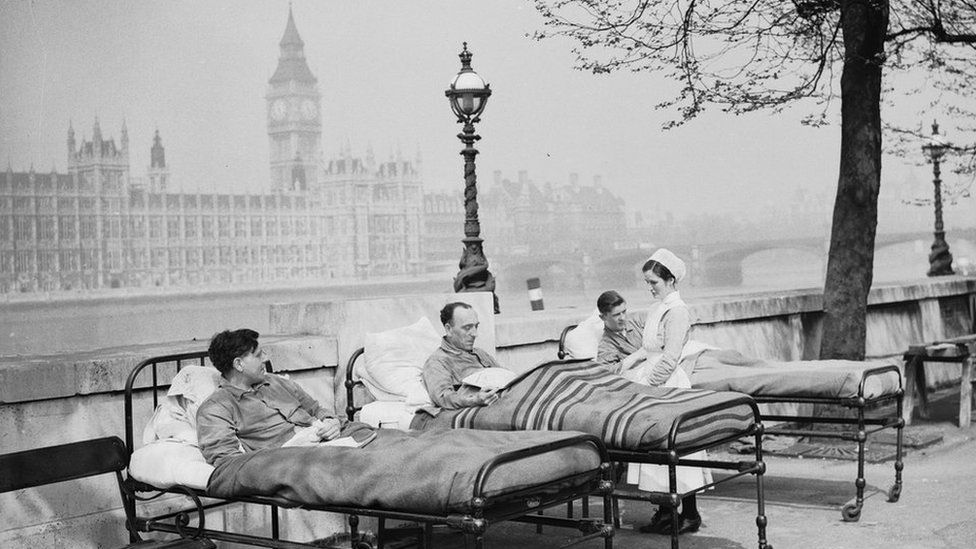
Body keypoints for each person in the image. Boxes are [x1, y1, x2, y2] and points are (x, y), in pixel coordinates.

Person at [600, 249, 710, 536]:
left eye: (654, 283)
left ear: (670, 280)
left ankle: (690, 514)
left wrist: (649, 386)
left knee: (675, 449)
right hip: (651, 380)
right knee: (654, 449)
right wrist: (625, 366)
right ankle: (664, 511)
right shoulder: (657, 308)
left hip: (667, 385)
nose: (649, 288)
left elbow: (670, 357)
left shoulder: (677, 311)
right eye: (647, 282)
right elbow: (647, 349)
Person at [196, 328, 363, 467]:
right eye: (259, 355)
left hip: (334, 442)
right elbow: (228, 462)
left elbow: (316, 409)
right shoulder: (216, 408)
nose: (266, 358)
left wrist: (331, 422)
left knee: (380, 441)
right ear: (239, 364)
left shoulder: (277, 383)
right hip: (299, 462)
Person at [421, 302, 502, 410]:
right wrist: (474, 399)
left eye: (476, 326)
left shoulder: (480, 353)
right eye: (467, 328)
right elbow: (443, 397)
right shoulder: (437, 362)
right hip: (482, 409)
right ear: (449, 329)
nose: (475, 334)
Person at [594, 289, 646, 375]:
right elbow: (605, 373)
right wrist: (636, 356)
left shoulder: (638, 320)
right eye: (616, 315)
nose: (623, 318)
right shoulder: (606, 345)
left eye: (624, 312)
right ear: (603, 317)